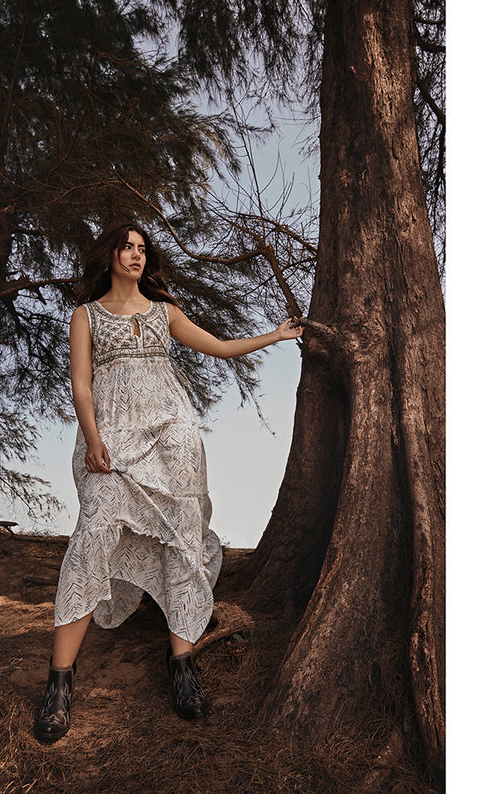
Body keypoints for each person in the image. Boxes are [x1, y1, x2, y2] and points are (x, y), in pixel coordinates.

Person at [34, 222, 302, 742]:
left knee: (181, 538)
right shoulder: (85, 317)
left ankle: (182, 667)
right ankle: (59, 684)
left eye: (141, 249)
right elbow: (82, 387)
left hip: (172, 435)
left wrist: (277, 334)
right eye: (126, 247)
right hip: (110, 439)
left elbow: (220, 348)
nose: (135, 256)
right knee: (94, 532)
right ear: (109, 255)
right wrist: (92, 440)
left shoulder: (164, 313)